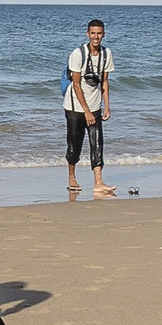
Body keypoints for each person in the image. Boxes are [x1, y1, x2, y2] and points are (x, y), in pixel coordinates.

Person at [65, 19, 115, 196]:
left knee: (97, 143)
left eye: (99, 33)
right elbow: (77, 85)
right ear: (87, 34)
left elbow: (105, 82)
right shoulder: (78, 54)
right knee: (74, 143)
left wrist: (107, 106)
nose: (96, 36)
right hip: (74, 107)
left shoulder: (107, 54)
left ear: (103, 34)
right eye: (93, 33)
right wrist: (86, 111)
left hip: (95, 107)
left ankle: (98, 182)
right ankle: (72, 176)